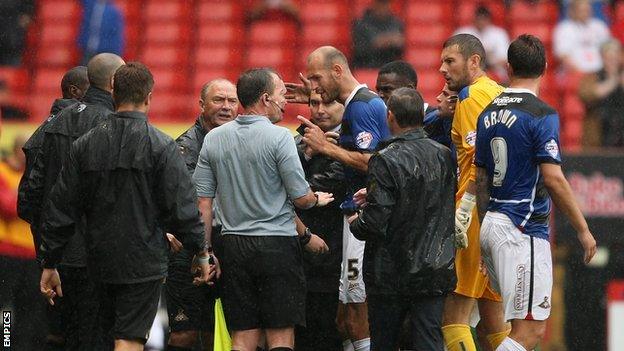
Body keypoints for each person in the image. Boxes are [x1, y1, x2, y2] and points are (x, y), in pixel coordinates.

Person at [39, 62, 214, 351]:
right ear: (148, 97)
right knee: (129, 338)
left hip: (96, 260)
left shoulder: (84, 145)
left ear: (113, 93)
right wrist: (200, 251)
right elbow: (182, 207)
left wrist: (49, 261)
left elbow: (61, 208)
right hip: (143, 262)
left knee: (101, 338)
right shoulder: (161, 145)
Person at [192, 68, 333, 351]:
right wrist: (316, 199)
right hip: (277, 247)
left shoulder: (214, 139)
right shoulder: (279, 138)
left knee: (243, 337)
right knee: (280, 336)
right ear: (266, 98)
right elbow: (300, 198)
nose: (285, 102)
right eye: (281, 95)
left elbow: (203, 204)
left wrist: (204, 253)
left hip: (233, 246)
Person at [474, 34, 597, 351]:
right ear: (544, 66)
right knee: (530, 332)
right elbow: (553, 179)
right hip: (522, 227)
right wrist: (583, 230)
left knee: (512, 327)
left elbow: (481, 177)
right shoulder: (541, 113)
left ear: (509, 67)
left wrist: (483, 233)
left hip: (493, 223)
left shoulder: (487, 113)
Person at [294, 45, 391, 351]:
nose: (313, 86)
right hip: (356, 217)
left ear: (337, 70)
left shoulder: (362, 106)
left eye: (316, 77)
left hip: (362, 218)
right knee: (345, 316)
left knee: (356, 312)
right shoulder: (356, 105)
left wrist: (327, 148)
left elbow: (372, 161)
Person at [26, 53, 125, 350]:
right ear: (112, 83)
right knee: (97, 335)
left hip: (56, 253)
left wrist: (45, 241)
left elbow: (30, 193)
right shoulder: (115, 126)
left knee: (58, 334)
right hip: (99, 255)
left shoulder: (51, 125)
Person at [348, 87, 456, 350]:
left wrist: (356, 222)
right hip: (434, 267)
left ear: (390, 116)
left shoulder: (384, 159)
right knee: (429, 341)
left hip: (391, 273)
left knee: (385, 341)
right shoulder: (443, 154)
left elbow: (376, 221)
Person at [438, 33, 509, 351]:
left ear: (474, 61)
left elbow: (478, 161)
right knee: (495, 319)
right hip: (503, 212)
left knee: (454, 317)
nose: (442, 68)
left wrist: (465, 209)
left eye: (450, 61)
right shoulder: (499, 93)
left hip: (475, 213)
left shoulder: (469, 97)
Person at [16, 65, 89, 350]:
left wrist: (45, 236)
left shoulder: (42, 131)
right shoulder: (84, 130)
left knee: (56, 331)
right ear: (74, 92)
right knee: (85, 331)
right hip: (81, 254)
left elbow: (27, 202)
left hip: (50, 255)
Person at [166, 78, 238, 351]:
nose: (226, 107)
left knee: (217, 333)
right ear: (201, 105)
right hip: (189, 249)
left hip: (230, 243)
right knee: (183, 335)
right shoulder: (181, 148)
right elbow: (176, 202)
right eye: (219, 100)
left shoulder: (242, 144)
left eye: (232, 101)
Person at [294, 91, 345, 351]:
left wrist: (302, 196)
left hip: (336, 253)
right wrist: (308, 155)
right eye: (314, 103)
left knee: (331, 329)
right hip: (298, 255)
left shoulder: (353, 142)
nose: (320, 109)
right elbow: (276, 185)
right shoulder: (295, 143)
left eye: (328, 103)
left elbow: (334, 184)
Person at [0, 134, 47, 350]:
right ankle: (6, 344)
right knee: (7, 308)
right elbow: (9, 207)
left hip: (32, 255)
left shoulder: (34, 176)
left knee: (31, 310)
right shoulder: (3, 171)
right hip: (7, 253)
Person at [578, 39, 624, 147]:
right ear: (602, 58)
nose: (612, 61)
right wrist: (613, 81)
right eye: (609, 57)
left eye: (615, 57)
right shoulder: (592, 77)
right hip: (600, 132)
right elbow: (587, 94)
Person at [553, 0, 610, 74]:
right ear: (573, 11)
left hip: (601, 72)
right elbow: (563, 56)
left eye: (587, 10)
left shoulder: (600, 26)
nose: (585, 13)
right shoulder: (564, 28)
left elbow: (608, 50)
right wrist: (581, 74)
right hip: (575, 73)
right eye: (581, 10)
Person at [454, 5, 510, 80]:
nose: (481, 22)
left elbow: (505, 59)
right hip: (469, 73)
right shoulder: (462, 32)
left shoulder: (499, 33)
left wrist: (488, 60)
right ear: (474, 18)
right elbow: (454, 56)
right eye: (479, 19)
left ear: (489, 19)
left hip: (494, 73)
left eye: (484, 19)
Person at [352, 0, 405, 68]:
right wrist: (384, 41)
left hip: (390, 68)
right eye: (380, 3)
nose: (383, 7)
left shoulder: (396, 23)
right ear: (374, 4)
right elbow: (359, 50)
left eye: (385, 4)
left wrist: (383, 41)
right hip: (366, 66)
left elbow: (400, 46)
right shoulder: (361, 23)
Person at [0, 0, 34, 65]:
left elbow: (27, 14)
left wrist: (27, 14)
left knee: (11, 71)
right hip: (12, 35)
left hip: (13, 40)